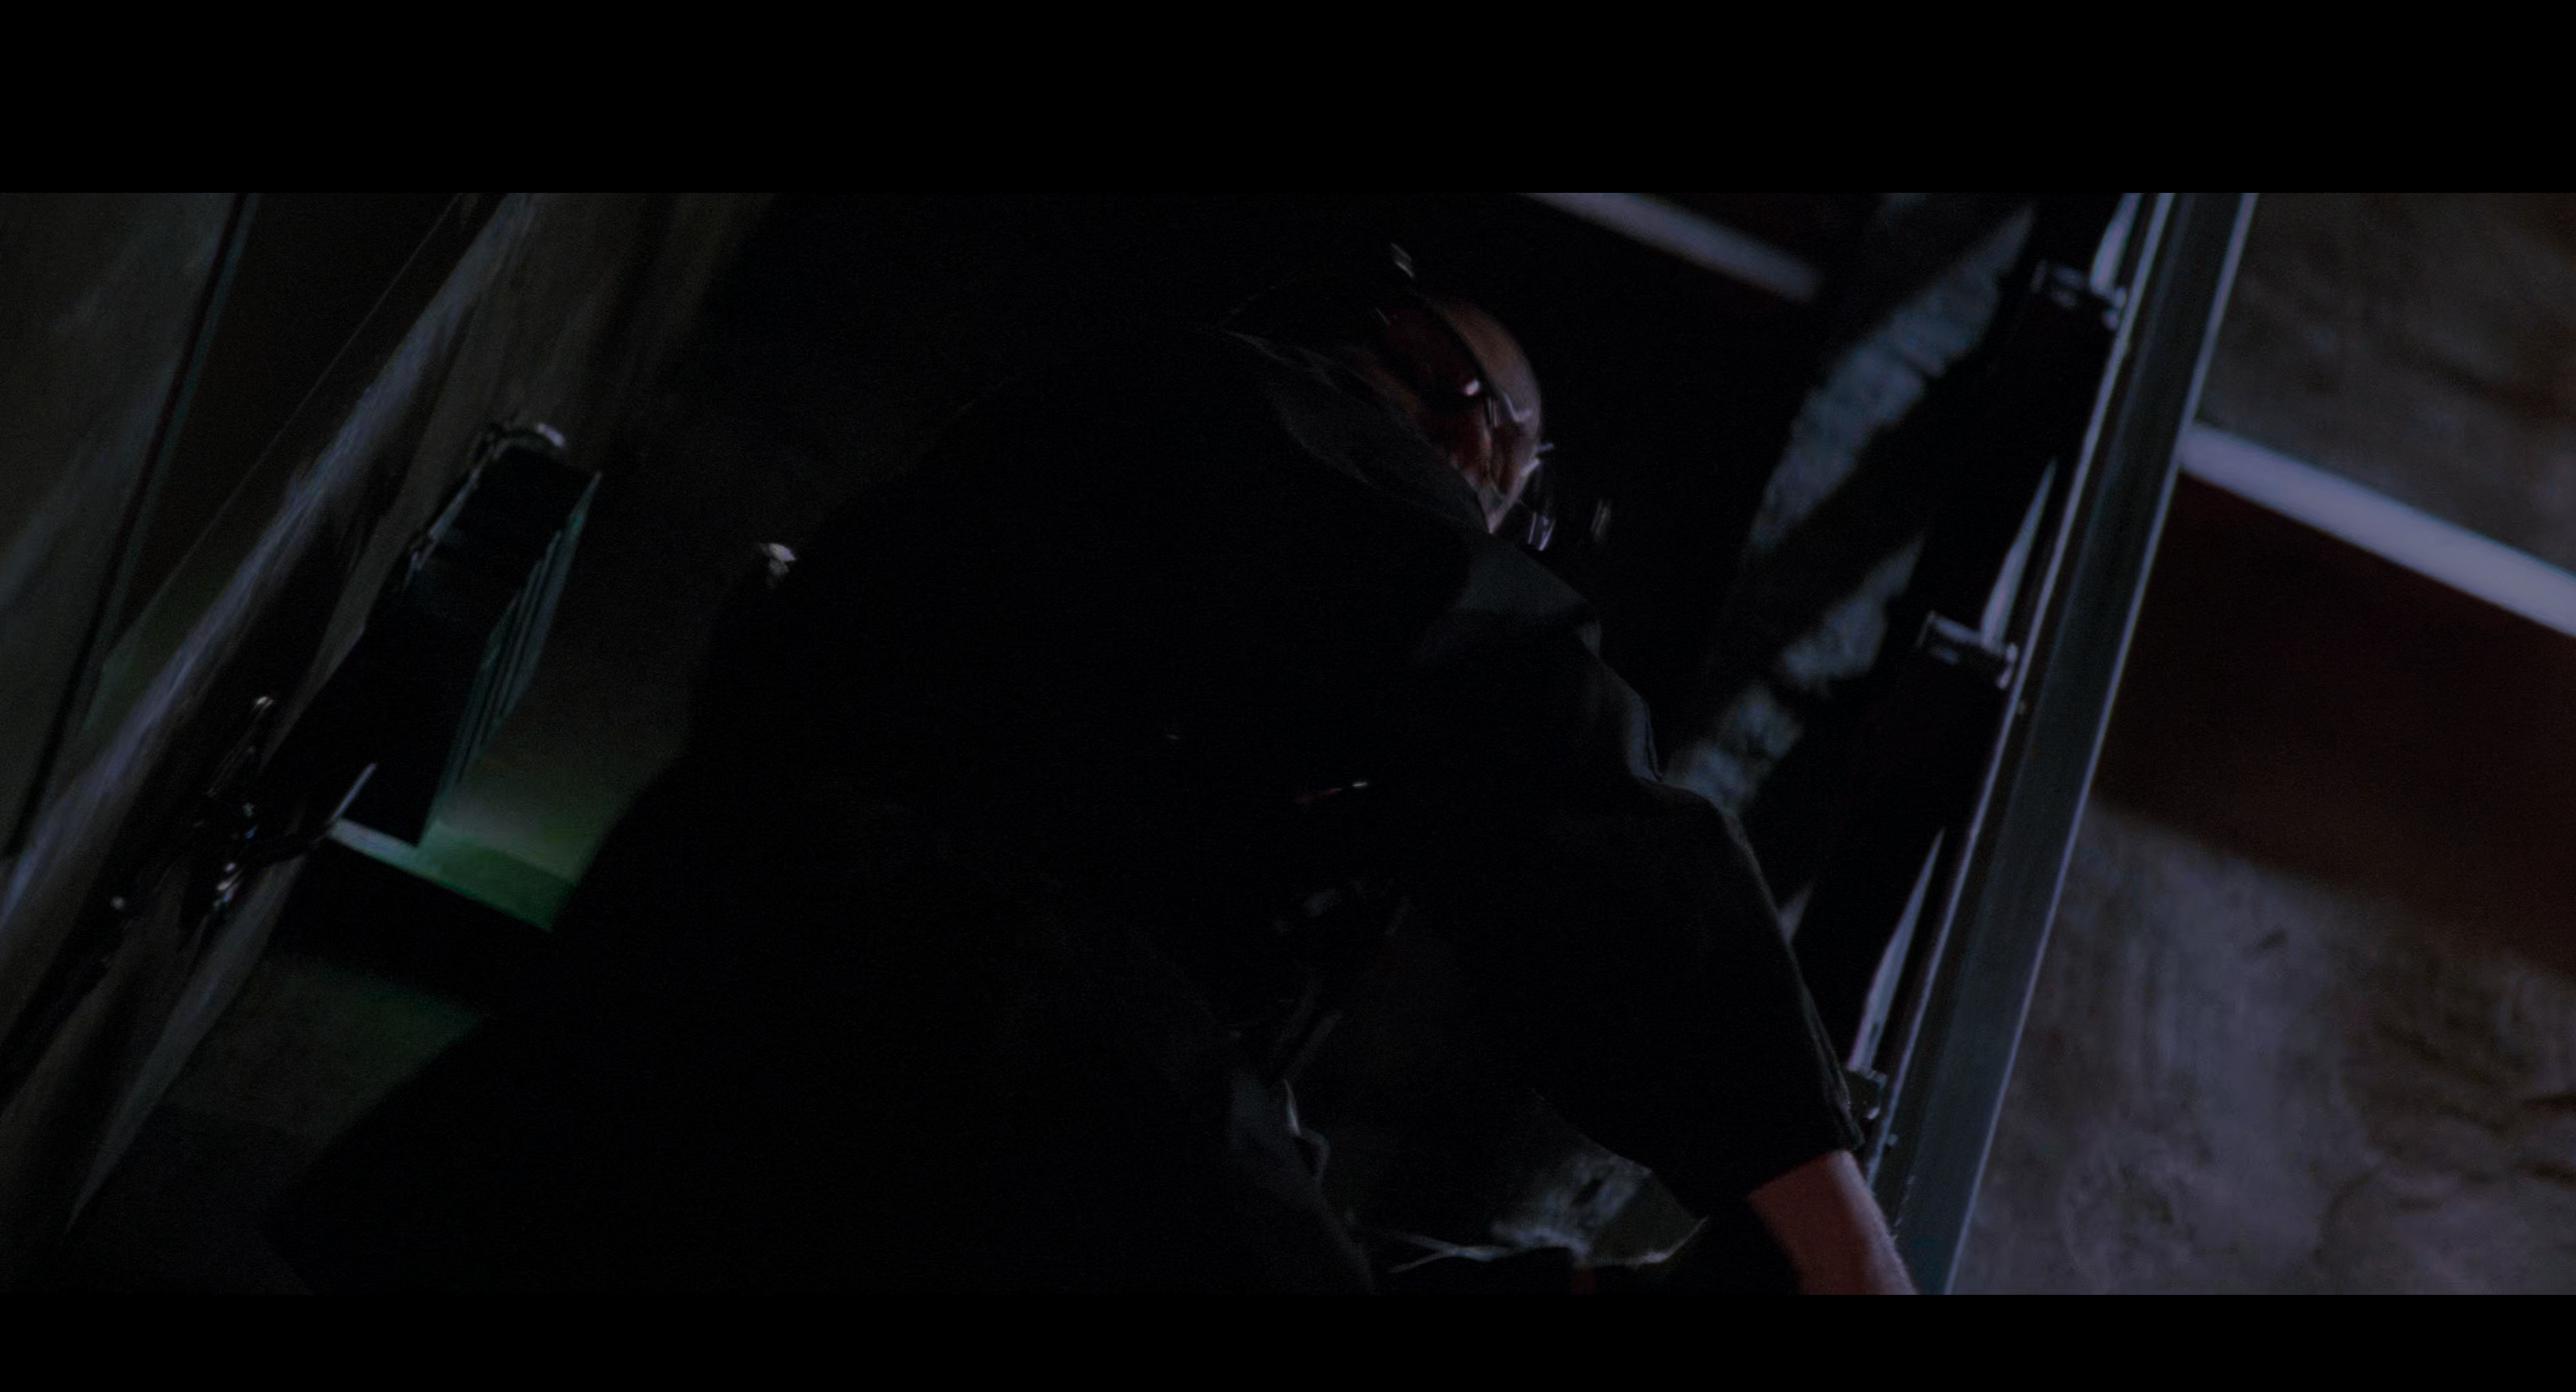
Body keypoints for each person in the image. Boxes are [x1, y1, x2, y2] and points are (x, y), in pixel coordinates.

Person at [271, 256, 1915, 1294]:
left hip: (729, 1085)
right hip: (916, 1001)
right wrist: (1831, 1221)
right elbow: (1517, 718)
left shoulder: (1131, 604)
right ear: (1440, 396)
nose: (1503, 517)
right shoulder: (1280, 424)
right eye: (1517, 470)